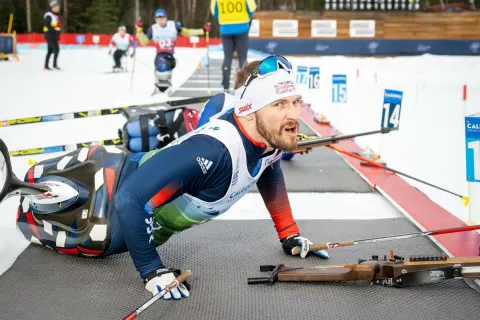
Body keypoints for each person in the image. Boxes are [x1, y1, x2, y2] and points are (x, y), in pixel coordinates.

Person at [9, 55, 329, 302]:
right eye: (279, 104)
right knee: (36, 206)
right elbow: (129, 200)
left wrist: (289, 233)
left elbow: (268, 168)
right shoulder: (214, 152)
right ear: (250, 108)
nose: (294, 115)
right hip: (110, 219)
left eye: (295, 102)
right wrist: (152, 271)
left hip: (137, 194)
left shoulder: (265, 138)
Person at [137, 9, 211, 94]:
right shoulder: (153, 29)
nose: (161, 21)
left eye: (162, 18)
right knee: (160, 66)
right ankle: (159, 86)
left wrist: (203, 30)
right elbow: (144, 42)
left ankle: (166, 85)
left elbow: (187, 32)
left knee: (164, 66)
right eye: (158, 19)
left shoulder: (174, 25)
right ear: (155, 19)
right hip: (160, 54)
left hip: (170, 55)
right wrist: (139, 30)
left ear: (166, 18)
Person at [210, 0, 257, 92]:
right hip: (242, 27)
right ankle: (243, 85)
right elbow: (252, 8)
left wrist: (222, 19)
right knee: (242, 58)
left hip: (226, 28)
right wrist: (247, 18)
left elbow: (214, 11)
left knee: (227, 57)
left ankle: (226, 86)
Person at [43, 1, 61, 70]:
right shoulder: (49, 15)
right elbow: (47, 25)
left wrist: (57, 34)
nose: (57, 9)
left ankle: (46, 65)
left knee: (50, 51)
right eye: (56, 7)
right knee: (56, 49)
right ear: (52, 7)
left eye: (58, 7)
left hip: (53, 36)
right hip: (50, 35)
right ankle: (54, 65)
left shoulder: (55, 15)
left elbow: (57, 26)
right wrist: (54, 31)